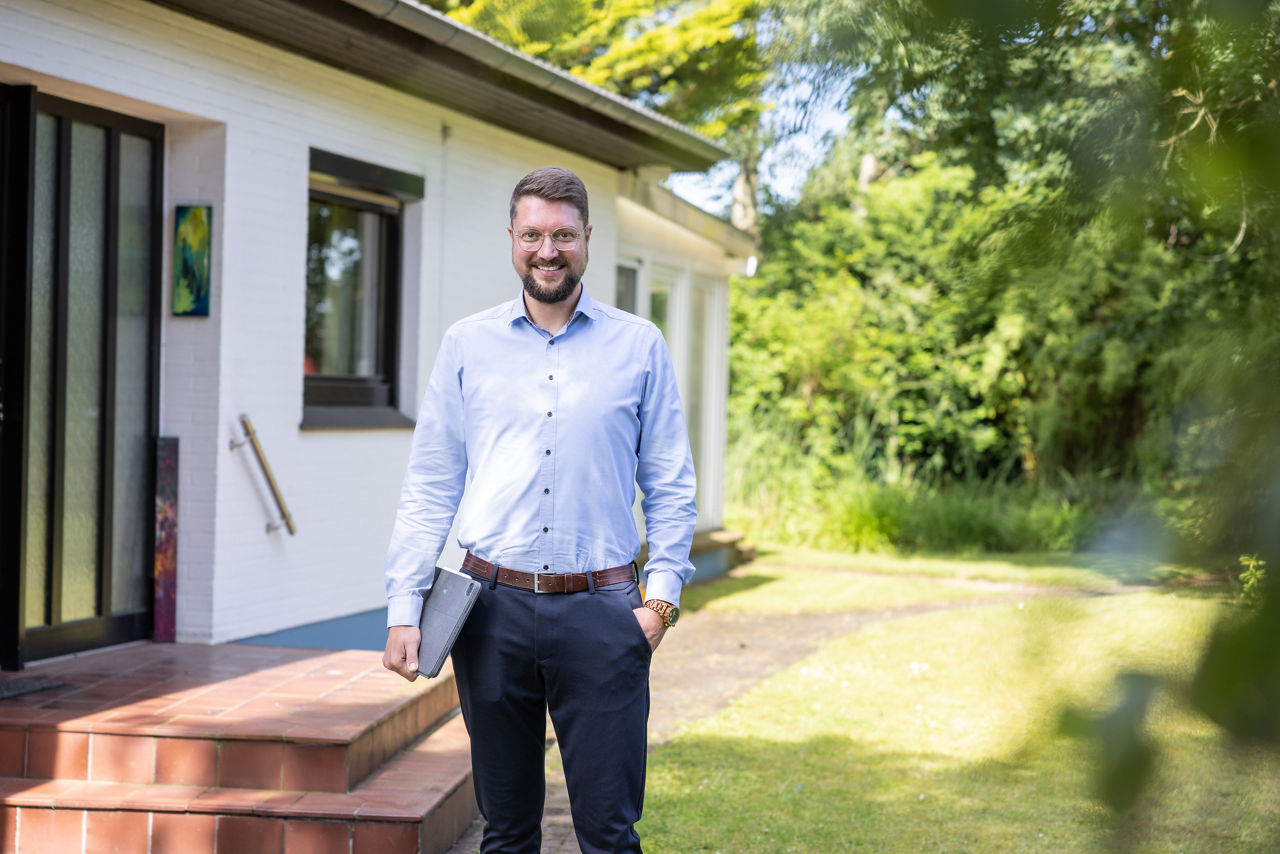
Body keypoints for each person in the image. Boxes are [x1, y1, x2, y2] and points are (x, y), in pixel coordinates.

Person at [381, 166, 697, 854]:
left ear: (587, 237)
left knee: (611, 833)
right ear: (512, 238)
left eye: (562, 235)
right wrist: (405, 605)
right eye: (532, 235)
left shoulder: (639, 345)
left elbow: (670, 483)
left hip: (604, 612)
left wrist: (661, 604)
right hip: (488, 614)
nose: (546, 251)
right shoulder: (467, 344)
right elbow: (431, 481)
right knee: (508, 829)